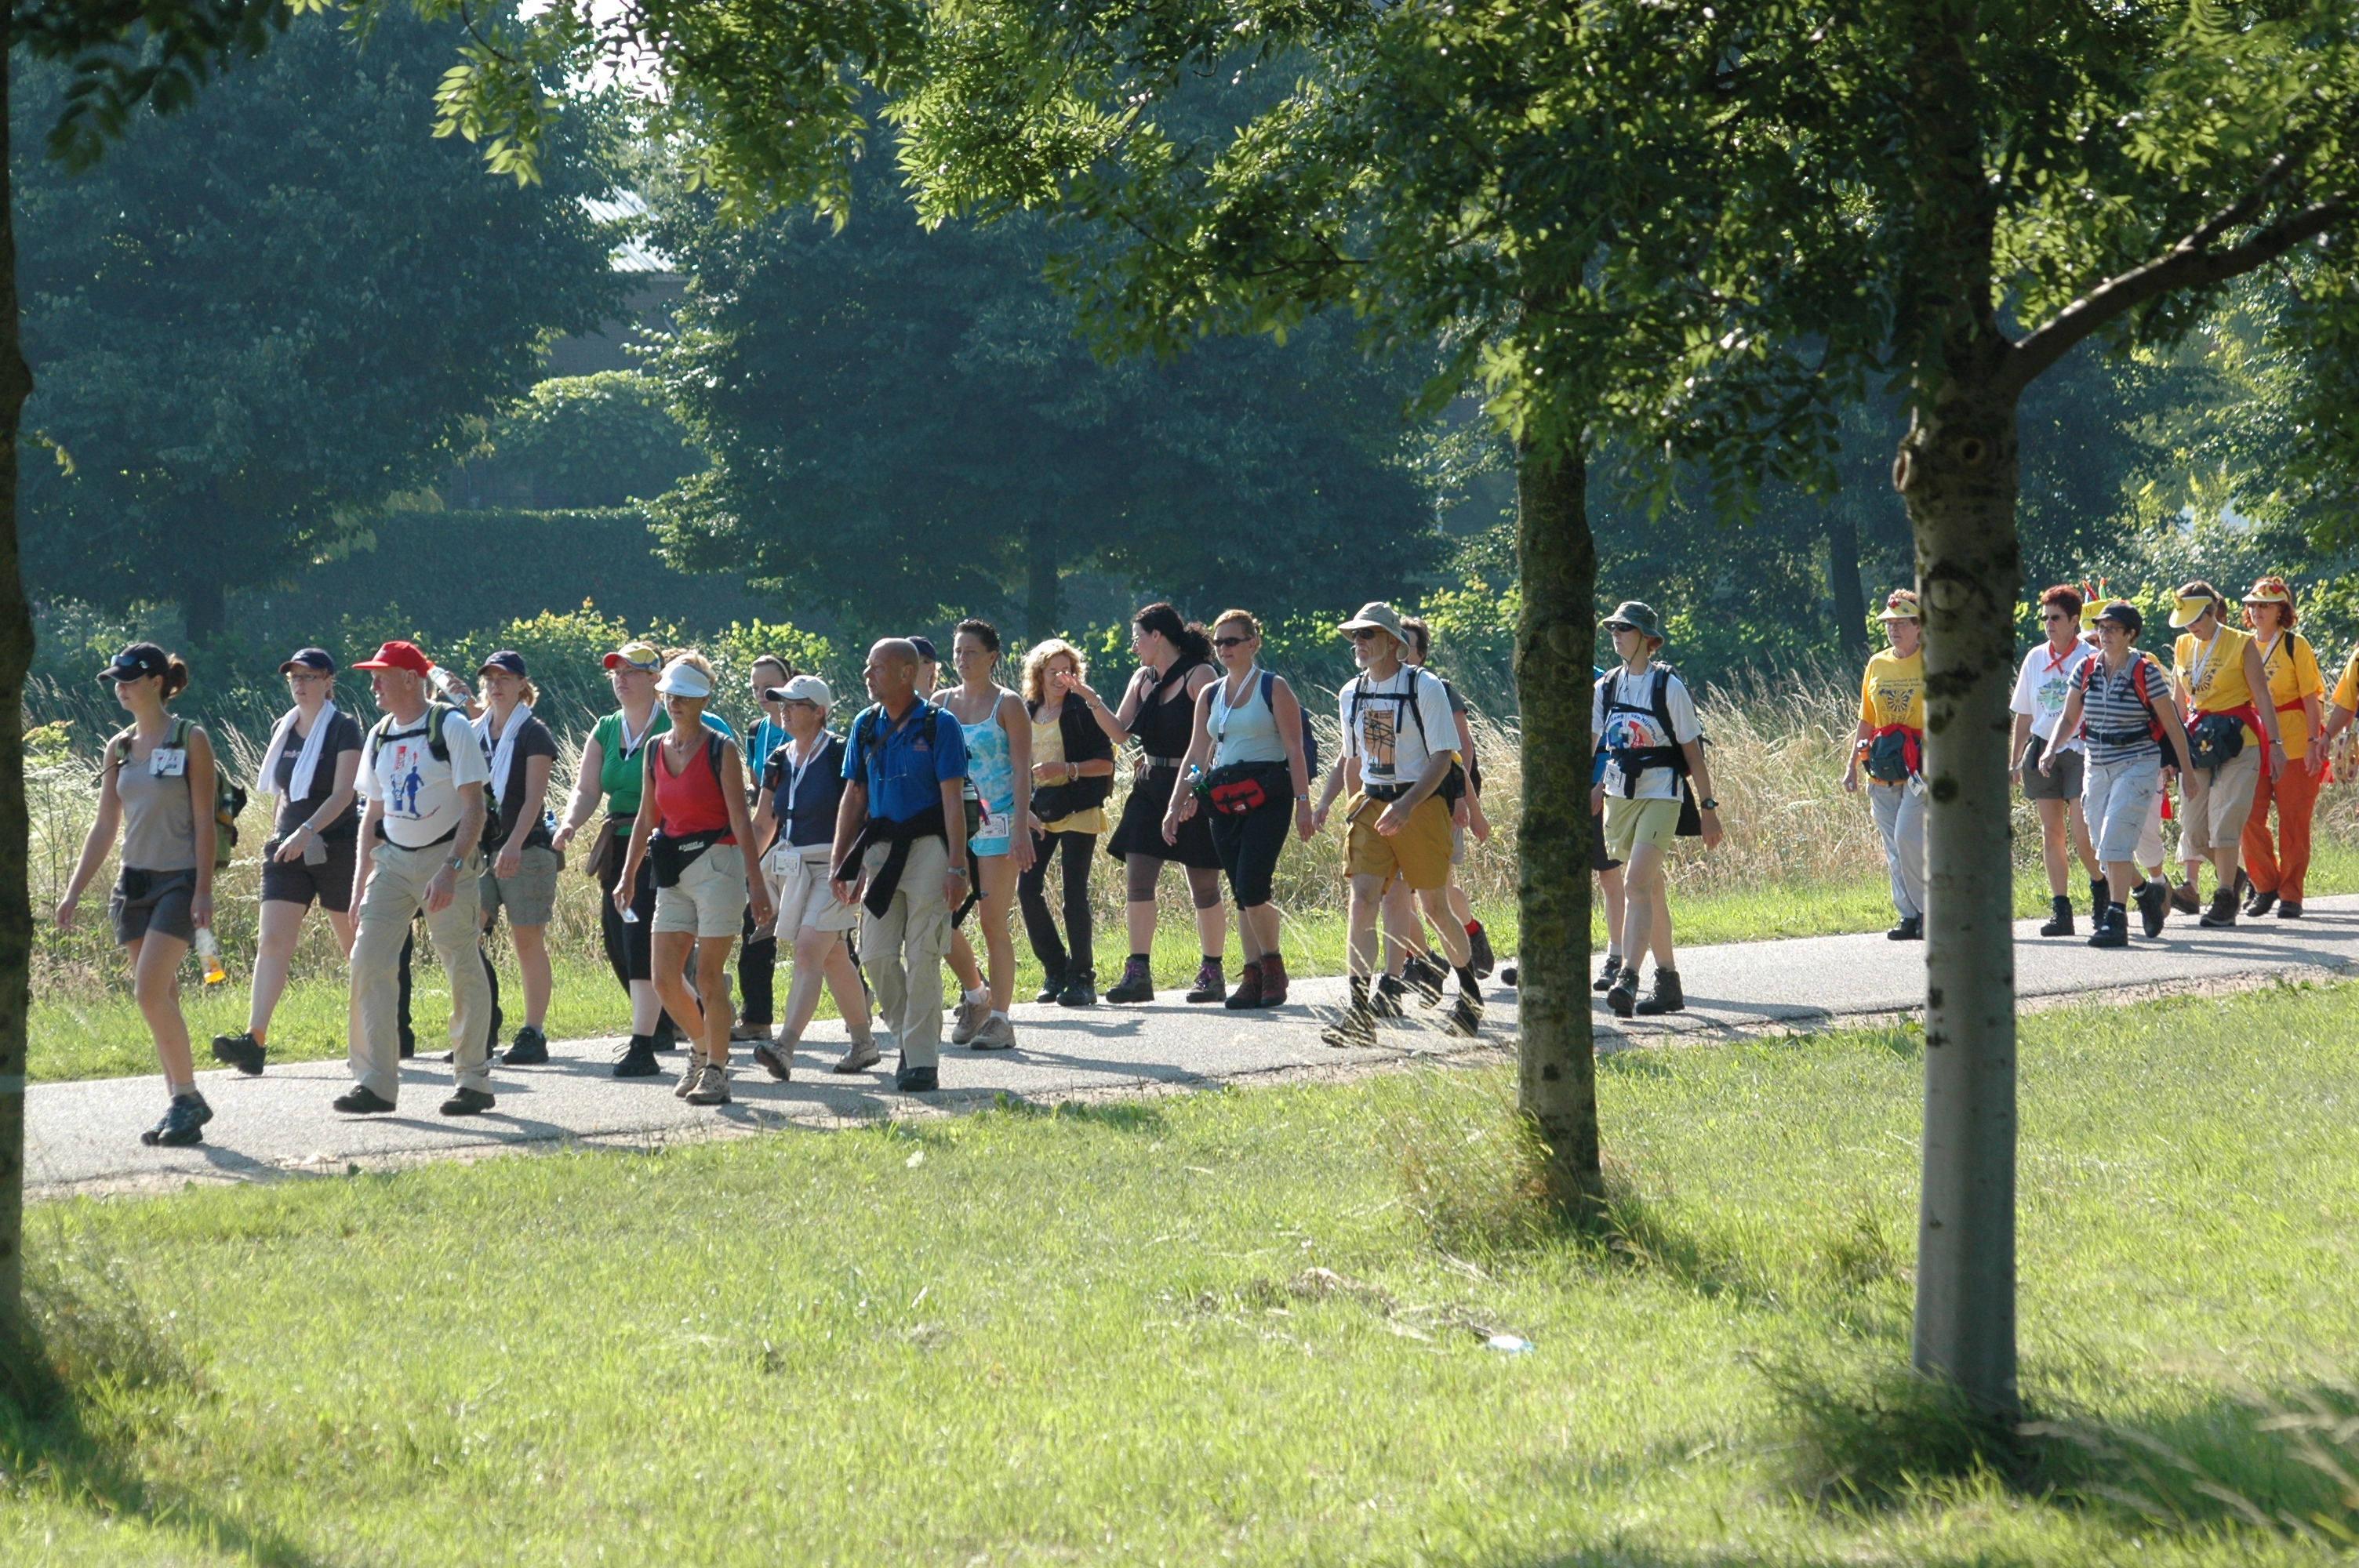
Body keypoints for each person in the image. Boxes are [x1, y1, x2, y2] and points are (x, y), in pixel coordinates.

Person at [54, 644, 221, 1146]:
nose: (119, 687)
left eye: (128, 678)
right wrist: (73, 891)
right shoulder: (119, 747)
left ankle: (187, 1097)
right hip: (134, 887)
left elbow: (204, 821)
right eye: (115, 680)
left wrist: (204, 890)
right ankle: (179, 1107)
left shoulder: (190, 737)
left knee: (147, 991)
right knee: (161, 998)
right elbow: (106, 825)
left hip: (178, 883)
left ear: (155, 682)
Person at [551, 639, 733, 1077]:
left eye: (631, 671)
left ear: (657, 679)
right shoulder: (608, 728)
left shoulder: (692, 724)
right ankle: (686, 1022)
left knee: (640, 945)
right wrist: (570, 823)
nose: (621, 679)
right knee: (618, 939)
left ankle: (645, 1043)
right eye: (616, 671)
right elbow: (587, 789)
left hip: (673, 845)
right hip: (621, 842)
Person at [335, 640, 498, 1117]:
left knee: (461, 964)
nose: (373, 684)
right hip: (391, 863)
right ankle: (376, 1084)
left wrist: (450, 868)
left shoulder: (450, 727)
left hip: (446, 858)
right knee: (367, 960)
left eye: (382, 675)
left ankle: (473, 1081)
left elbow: (475, 807)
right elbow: (372, 815)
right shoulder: (380, 735)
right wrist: (359, 884)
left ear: (411, 678)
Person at [1312, 601, 1488, 1044]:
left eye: (1367, 634)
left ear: (1394, 643)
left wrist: (1408, 804)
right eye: (1355, 635)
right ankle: (1359, 1015)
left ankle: (1469, 997)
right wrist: (1341, 802)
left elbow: (1445, 758)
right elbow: (1353, 757)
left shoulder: (1424, 687)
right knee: (1363, 899)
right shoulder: (1350, 693)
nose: (1359, 643)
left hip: (1422, 804)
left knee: (1433, 908)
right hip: (1372, 805)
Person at [614, 654, 772, 1108]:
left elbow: (742, 821)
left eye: (684, 696)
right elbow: (648, 816)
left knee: (707, 977)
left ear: (703, 698)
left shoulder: (721, 748)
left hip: (719, 865)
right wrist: (628, 874)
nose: (675, 703)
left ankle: (718, 1073)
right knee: (664, 978)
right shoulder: (654, 749)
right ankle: (703, 1052)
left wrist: (756, 884)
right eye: (670, 695)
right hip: (673, 872)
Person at [209, 648, 362, 1076]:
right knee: (273, 942)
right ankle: (254, 1040)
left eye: (309, 676)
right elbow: (282, 791)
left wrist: (306, 832)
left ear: (328, 680)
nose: (299, 684)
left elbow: (344, 794)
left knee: (355, 948)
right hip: (287, 849)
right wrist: (282, 835)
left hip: (335, 846)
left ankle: (370, 1037)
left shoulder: (345, 729)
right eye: (294, 677)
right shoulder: (284, 728)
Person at [831, 639, 969, 1094]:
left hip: (929, 847)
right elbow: (854, 796)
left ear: (907, 673)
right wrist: (841, 863)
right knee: (874, 955)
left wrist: (957, 867)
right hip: (880, 851)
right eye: (868, 667)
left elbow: (953, 800)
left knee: (924, 954)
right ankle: (911, 1038)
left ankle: (921, 1061)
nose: (868, 675)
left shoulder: (939, 724)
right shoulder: (865, 724)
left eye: (877, 668)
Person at [1164, 610, 1316, 1008]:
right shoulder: (1211, 694)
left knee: (1252, 886)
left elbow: (1295, 749)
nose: (1224, 649)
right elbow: (1197, 753)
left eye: (1232, 641)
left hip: (1268, 796)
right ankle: (1252, 977)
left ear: (1253, 644)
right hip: (1224, 800)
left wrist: (1303, 803)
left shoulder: (1273, 687)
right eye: (1218, 642)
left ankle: (1272, 967)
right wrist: (1179, 800)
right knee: (1240, 893)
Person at [1585, 602, 1724, 1017]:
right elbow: (1591, 745)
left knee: (1634, 884)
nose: (1615, 634)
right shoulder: (1605, 687)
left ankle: (1628, 976)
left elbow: (1693, 753)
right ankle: (1669, 982)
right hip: (1619, 798)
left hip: (1663, 794)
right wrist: (1588, 787)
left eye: (1624, 629)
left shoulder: (1668, 687)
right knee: (1650, 889)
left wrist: (1708, 807)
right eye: (1612, 627)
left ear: (1647, 638)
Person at [1093, 604, 1228, 1003]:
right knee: (1138, 879)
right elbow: (1120, 733)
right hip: (1150, 784)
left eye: (1137, 636)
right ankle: (1138, 973)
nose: (1133, 645)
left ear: (1157, 635)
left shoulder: (1200, 675)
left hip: (1191, 784)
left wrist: (1190, 793)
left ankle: (1213, 971)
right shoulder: (1141, 678)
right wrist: (1089, 698)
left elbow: (1210, 743)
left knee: (1203, 885)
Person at [747, 673, 878, 1076]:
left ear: (819, 712)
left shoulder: (842, 752)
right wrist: (749, 874)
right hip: (791, 870)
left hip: (835, 868)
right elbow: (763, 823)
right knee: (832, 954)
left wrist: (859, 868)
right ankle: (864, 1045)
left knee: (807, 949)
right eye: (781, 702)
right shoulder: (777, 759)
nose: (783, 709)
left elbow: (863, 810)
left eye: (794, 703)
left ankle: (784, 1045)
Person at [2046, 601, 2190, 946]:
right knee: (2102, 846)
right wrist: (2051, 748)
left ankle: (2116, 919)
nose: (2104, 634)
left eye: (2112, 629)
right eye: (2102, 628)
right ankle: (2147, 892)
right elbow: (2068, 718)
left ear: (2130, 634)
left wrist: (2189, 770)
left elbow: (2171, 723)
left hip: (2137, 762)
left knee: (2115, 842)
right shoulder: (2085, 668)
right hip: (2097, 762)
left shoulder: (2146, 672)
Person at [1378, 615, 1493, 1004]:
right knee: (1392, 893)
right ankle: (1422, 960)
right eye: (1394, 643)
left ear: (1421, 654)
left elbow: (1460, 751)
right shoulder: (1377, 691)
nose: (1399, 652)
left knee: (1435, 894)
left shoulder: (1438, 690)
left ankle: (1470, 932)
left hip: (1440, 801)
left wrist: (1464, 801)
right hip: (1394, 807)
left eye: (1406, 645)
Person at [939, 619, 1036, 1051]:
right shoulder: (940, 704)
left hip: (998, 826)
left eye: (971, 652)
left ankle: (1001, 1020)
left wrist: (1020, 829)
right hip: (952, 827)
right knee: (937, 921)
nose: (962, 659)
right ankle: (977, 995)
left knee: (992, 922)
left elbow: (1021, 770)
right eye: (958, 651)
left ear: (992, 656)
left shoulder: (1008, 705)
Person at [2168, 581, 2286, 927]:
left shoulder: (2240, 643)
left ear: (2212, 611)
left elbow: (2262, 697)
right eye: (2185, 620)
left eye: (2196, 619)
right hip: (2200, 740)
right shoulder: (2182, 645)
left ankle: (2223, 899)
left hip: (2239, 738)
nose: (2191, 626)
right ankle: (2234, 876)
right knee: (2194, 829)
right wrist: (2172, 753)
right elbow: (2179, 702)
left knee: (2226, 820)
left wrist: (2276, 746)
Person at [471, 651, 562, 1065]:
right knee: (467, 934)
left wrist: (512, 843)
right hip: (480, 850)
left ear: (522, 685)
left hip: (526, 850)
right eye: (490, 678)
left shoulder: (533, 733)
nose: (496, 685)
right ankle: (477, 1027)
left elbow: (533, 798)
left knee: (527, 942)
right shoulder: (474, 732)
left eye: (505, 678)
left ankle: (533, 1032)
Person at [1018, 637, 1116, 1007]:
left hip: (1078, 808)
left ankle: (1082, 978)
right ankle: (1055, 968)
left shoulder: (1081, 709)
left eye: (1068, 670)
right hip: (1038, 810)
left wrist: (1065, 769)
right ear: (1038, 674)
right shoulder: (1025, 711)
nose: (1061, 677)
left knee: (1074, 895)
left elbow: (1105, 763)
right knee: (1027, 889)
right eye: (1053, 670)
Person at [2009, 586, 2106, 937]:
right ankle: (2061, 909)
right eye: (2045, 618)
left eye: (2056, 618)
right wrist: (2016, 759)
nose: (2048, 624)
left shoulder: (2091, 656)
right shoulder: (2035, 658)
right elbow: (2023, 714)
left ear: (2074, 621)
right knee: (2052, 833)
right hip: (2041, 749)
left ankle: (2101, 892)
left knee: (2083, 833)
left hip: (2080, 750)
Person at [2237, 577, 2324, 920]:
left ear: (2281, 610)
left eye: (2265, 605)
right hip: (2251, 741)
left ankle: (2291, 893)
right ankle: (2265, 884)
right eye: (2252, 605)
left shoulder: (2294, 645)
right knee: (2247, 816)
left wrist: (2315, 740)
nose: (2256, 611)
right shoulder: (2242, 645)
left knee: (2293, 820)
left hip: (2295, 744)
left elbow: (2310, 695)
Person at [1845, 589, 1928, 941]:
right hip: (1882, 764)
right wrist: (1851, 764)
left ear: (1919, 626)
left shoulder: (1932, 662)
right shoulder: (1877, 664)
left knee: (1907, 836)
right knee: (1892, 845)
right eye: (1889, 624)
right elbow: (1867, 719)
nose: (1893, 629)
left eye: (1901, 623)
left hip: (1922, 765)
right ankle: (1907, 915)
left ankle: (1929, 912)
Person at [733, 654, 795, 1042]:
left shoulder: (806, 722)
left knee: (817, 926)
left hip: (803, 835)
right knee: (754, 921)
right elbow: (756, 783)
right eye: (755, 688)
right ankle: (756, 1016)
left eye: (769, 687)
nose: (761, 695)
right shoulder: (757, 731)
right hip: (765, 833)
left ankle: (857, 989)